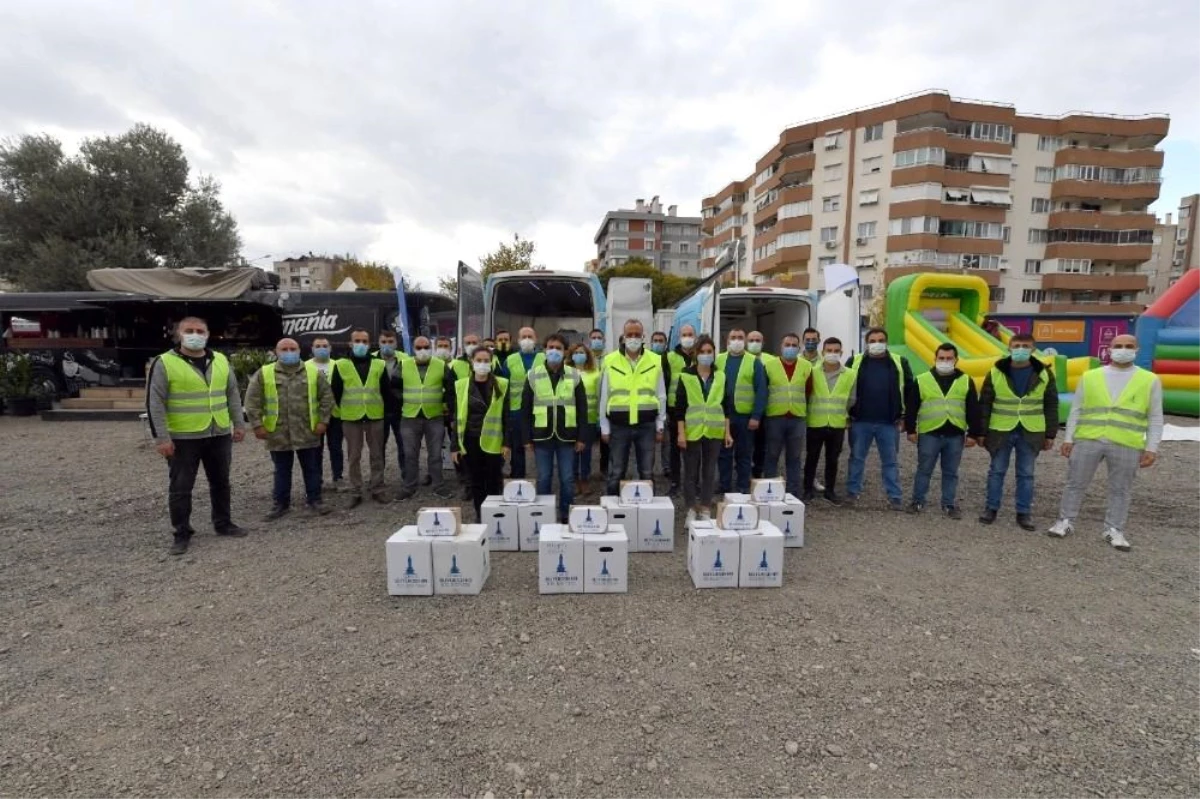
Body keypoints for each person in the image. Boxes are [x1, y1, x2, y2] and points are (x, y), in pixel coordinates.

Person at [1049, 334, 1162, 551]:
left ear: (1137, 350)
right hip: (1088, 438)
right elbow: (1077, 409)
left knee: (1121, 488)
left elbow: (1155, 416)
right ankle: (1065, 521)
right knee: (1075, 483)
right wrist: (1069, 438)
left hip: (1126, 442)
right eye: (1118, 346)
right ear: (1109, 350)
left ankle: (1114, 529)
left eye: (1129, 346)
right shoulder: (1091, 376)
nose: (1123, 349)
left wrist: (1151, 448)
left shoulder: (1149, 380)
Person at [146, 316, 247, 555]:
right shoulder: (165, 362)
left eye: (200, 330)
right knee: (181, 487)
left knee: (221, 482)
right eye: (189, 330)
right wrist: (161, 438)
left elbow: (232, 393)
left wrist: (239, 423)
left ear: (208, 334)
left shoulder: (220, 360)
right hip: (183, 436)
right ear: (179, 335)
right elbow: (155, 402)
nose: (195, 334)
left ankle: (223, 523)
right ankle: (181, 532)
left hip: (218, 431)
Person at [245, 338, 335, 519]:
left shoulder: (312, 372)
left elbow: (327, 398)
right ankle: (281, 504)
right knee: (282, 469)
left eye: (292, 348)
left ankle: (315, 500)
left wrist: (323, 421)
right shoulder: (264, 373)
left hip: (307, 430)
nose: (288, 352)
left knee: (312, 468)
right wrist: (257, 425)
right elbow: (252, 401)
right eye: (284, 349)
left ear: (300, 350)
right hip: (278, 433)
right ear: (276, 352)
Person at [978, 333, 1059, 530]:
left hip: (1030, 431)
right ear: (1009, 347)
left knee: (1026, 473)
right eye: (1016, 345)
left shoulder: (1044, 373)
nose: (1020, 349)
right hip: (1000, 429)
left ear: (1033, 349)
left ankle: (1023, 513)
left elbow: (1051, 404)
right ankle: (991, 508)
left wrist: (1050, 434)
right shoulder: (996, 371)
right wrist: (981, 431)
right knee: (996, 471)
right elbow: (985, 403)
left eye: (1025, 345)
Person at [904, 343, 982, 518]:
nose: (945, 361)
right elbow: (912, 406)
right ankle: (917, 501)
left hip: (955, 434)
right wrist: (910, 429)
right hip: (929, 433)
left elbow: (973, 408)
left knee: (951, 472)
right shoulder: (923, 379)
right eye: (942, 358)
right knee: (924, 469)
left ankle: (948, 504)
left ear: (956, 360)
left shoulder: (965, 380)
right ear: (935, 359)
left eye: (949, 358)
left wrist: (974, 434)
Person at [845, 328, 914, 510]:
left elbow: (909, 391)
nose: (877, 343)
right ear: (867, 342)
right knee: (857, 458)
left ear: (886, 341)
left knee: (890, 461)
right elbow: (844, 389)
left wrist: (906, 417)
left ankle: (894, 496)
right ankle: (852, 492)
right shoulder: (855, 361)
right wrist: (846, 415)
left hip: (889, 422)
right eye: (873, 340)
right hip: (860, 421)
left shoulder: (900, 362)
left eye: (881, 339)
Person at [524, 334, 589, 523]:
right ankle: (545, 516)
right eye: (550, 347)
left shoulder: (574, 375)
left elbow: (583, 409)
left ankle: (565, 516)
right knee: (544, 478)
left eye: (558, 348)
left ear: (565, 351)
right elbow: (525, 410)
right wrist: (526, 439)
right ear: (544, 349)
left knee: (567, 479)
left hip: (567, 437)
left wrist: (582, 438)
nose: (554, 351)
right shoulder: (533, 374)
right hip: (542, 436)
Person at [600, 318, 666, 495]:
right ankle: (613, 508)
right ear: (623, 336)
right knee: (616, 472)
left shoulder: (655, 360)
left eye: (637, 334)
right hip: (618, 426)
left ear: (643, 337)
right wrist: (604, 427)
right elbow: (604, 397)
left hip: (647, 426)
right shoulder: (610, 360)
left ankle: (646, 510)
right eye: (630, 334)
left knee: (646, 472)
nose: (633, 338)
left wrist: (660, 425)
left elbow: (661, 395)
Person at [676, 335, 733, 526]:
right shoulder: (685, 374)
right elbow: (679, 408)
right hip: (692, 431)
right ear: (695, 353)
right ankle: (691, 508)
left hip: (714, 431)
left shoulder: (721, 376)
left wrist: (727, 432)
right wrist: (681, 433)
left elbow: (726, 406)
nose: (706, 355)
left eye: (709, 352)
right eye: (702, 352)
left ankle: (706, 508)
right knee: (691, 472)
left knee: (709, 472)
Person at [331, 328, 390, 508]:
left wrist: (386, 414)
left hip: (375, 415)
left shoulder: (379, 364)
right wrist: (341, 414)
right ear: (350, 343)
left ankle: (377, 488)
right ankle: (356, 490)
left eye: (364, 341)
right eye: (357, 341)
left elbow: (385, 391)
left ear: (369, 343)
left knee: (376, 455)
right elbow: (335, 391)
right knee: (354, 456)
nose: (361, 345)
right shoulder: (341, 365)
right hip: (351, 417)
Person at [452, 346, 510, 522]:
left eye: (486, 361)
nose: (483, 364)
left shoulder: (502, 384)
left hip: (493, 441)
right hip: (470, 440)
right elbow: (457, 417)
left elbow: (506, 415)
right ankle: (480, 515)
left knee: (493, 480)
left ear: (492, 362)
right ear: (471, 362)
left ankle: (494, 515)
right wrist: (455, 446)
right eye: (479, 360)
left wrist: (507, 443)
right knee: (476, 481)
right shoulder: (461, 385)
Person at [396, 335, 453, 500]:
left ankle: (438, 485)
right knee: (410, 454)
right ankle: (409, 487)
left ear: (431, 347)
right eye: (419, 347)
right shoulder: (404, 365)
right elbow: (393, 386)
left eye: (426, 347)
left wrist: (444, 405)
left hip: (434, 416)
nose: (423, 350)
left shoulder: (441, 366)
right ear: (413, 349)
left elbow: (450, 390)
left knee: (435, 454)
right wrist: (404, 399)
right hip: (409, 416)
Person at [804, 337, 855, 504]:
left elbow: (852, 399)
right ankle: (807, 489)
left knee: (833, 459)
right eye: (829, 351)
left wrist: (845, 415)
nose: (832, 354)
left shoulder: (850, 374)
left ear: (841, 353)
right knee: (812, 457)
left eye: (836, 351)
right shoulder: (812, 370)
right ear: (822, 352)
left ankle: (830, 490)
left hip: (837, 422)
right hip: (815, 421)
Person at [716, 328, 767, 494]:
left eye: (740, 337)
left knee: (744, 455)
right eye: (733, 337)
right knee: (723, 454)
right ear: (727, 341)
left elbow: (761, 391)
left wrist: (756, 416)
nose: (736, 340)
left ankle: (743, 487)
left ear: (744, 341)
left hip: (745, 417)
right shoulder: (718, 360)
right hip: (723, 416)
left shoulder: (754, 361)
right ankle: (724, 486)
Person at [763, 332, 813, 498]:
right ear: (781, 347)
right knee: (771, 455)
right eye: (787, 345)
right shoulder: (769, 366)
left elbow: (808, 391)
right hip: (775, 417)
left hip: (797, 418)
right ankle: (770, 491)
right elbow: (764, 390)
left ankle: (793, 493)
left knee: (794, 457)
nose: (790, 348)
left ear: (799, 348)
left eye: (794, 345)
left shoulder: (806, 366)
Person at [502, 326, 545, 479]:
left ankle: (542, 480)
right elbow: (504, 388)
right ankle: (517, 480)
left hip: (540, 411)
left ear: (536, 339)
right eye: (523, 337)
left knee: (541, 448)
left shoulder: (544, 358)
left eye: (530, 336)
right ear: (518, 340)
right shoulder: (510, 360)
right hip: (516, 411)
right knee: (517, 449)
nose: (527, 340)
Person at [664, 323, 697, 497]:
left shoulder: (701, 356)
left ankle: (693, 483)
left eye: (690, 334)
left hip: (696, 411)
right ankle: (675, 482)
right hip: (675, 410)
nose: (687, 338)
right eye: (684, 334)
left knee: (694, 450)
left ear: (695, 336)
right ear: (679, 337)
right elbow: (664, 383)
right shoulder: (669, 357)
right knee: (675, 449)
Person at [308, 336, 344, 491]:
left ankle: (338, 477)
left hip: (335, 414)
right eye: (318, 346)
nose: (321, 348)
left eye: (324, 345)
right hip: (314, 416)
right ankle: (317, 479)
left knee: (336, 447)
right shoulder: (305, 366)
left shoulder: (338, 365)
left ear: (330, 348)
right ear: (312, 349)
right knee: (316, 449)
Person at [376, 330, 408, 485]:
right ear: (378, 343)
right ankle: (378, 479)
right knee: (378, 447)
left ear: (396, 343)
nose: (387, 345)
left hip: (400, 410)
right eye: (383, 342)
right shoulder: (372, 359)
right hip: (378, 411)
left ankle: (406, 475)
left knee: (404, 445)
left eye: (390, 342)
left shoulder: (406, 359)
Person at [570, 341, 602, 494]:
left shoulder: (595, 374)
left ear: (587, 355)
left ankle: (585, 479)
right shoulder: (566, 373)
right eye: (576, 353)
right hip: (570, 419)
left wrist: (599, 420)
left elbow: (599, 396)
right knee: (572, 452)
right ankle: (574, 479)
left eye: (581, 352)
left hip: (589, 418)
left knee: (586, 452)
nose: (578, 355)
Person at [800, 327, 826, 491]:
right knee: (795, 448)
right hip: (797, 410)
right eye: (807, 339)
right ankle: (794, 478)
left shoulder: (825, 362)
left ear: (819, 340)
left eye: (813, 339)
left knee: (813, 449)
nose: (810, 342)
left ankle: (811, 478)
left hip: (817, 412)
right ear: (803, 341)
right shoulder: (795, 360)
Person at [747, 330, 769, 479]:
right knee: (744, 446)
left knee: (761, 446)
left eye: (758, 340)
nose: (754, 343)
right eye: (751, 340)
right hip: (744, 410)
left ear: (763, 342)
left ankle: (757, 473)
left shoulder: (771, 360)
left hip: (764, 411)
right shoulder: (742, 358)